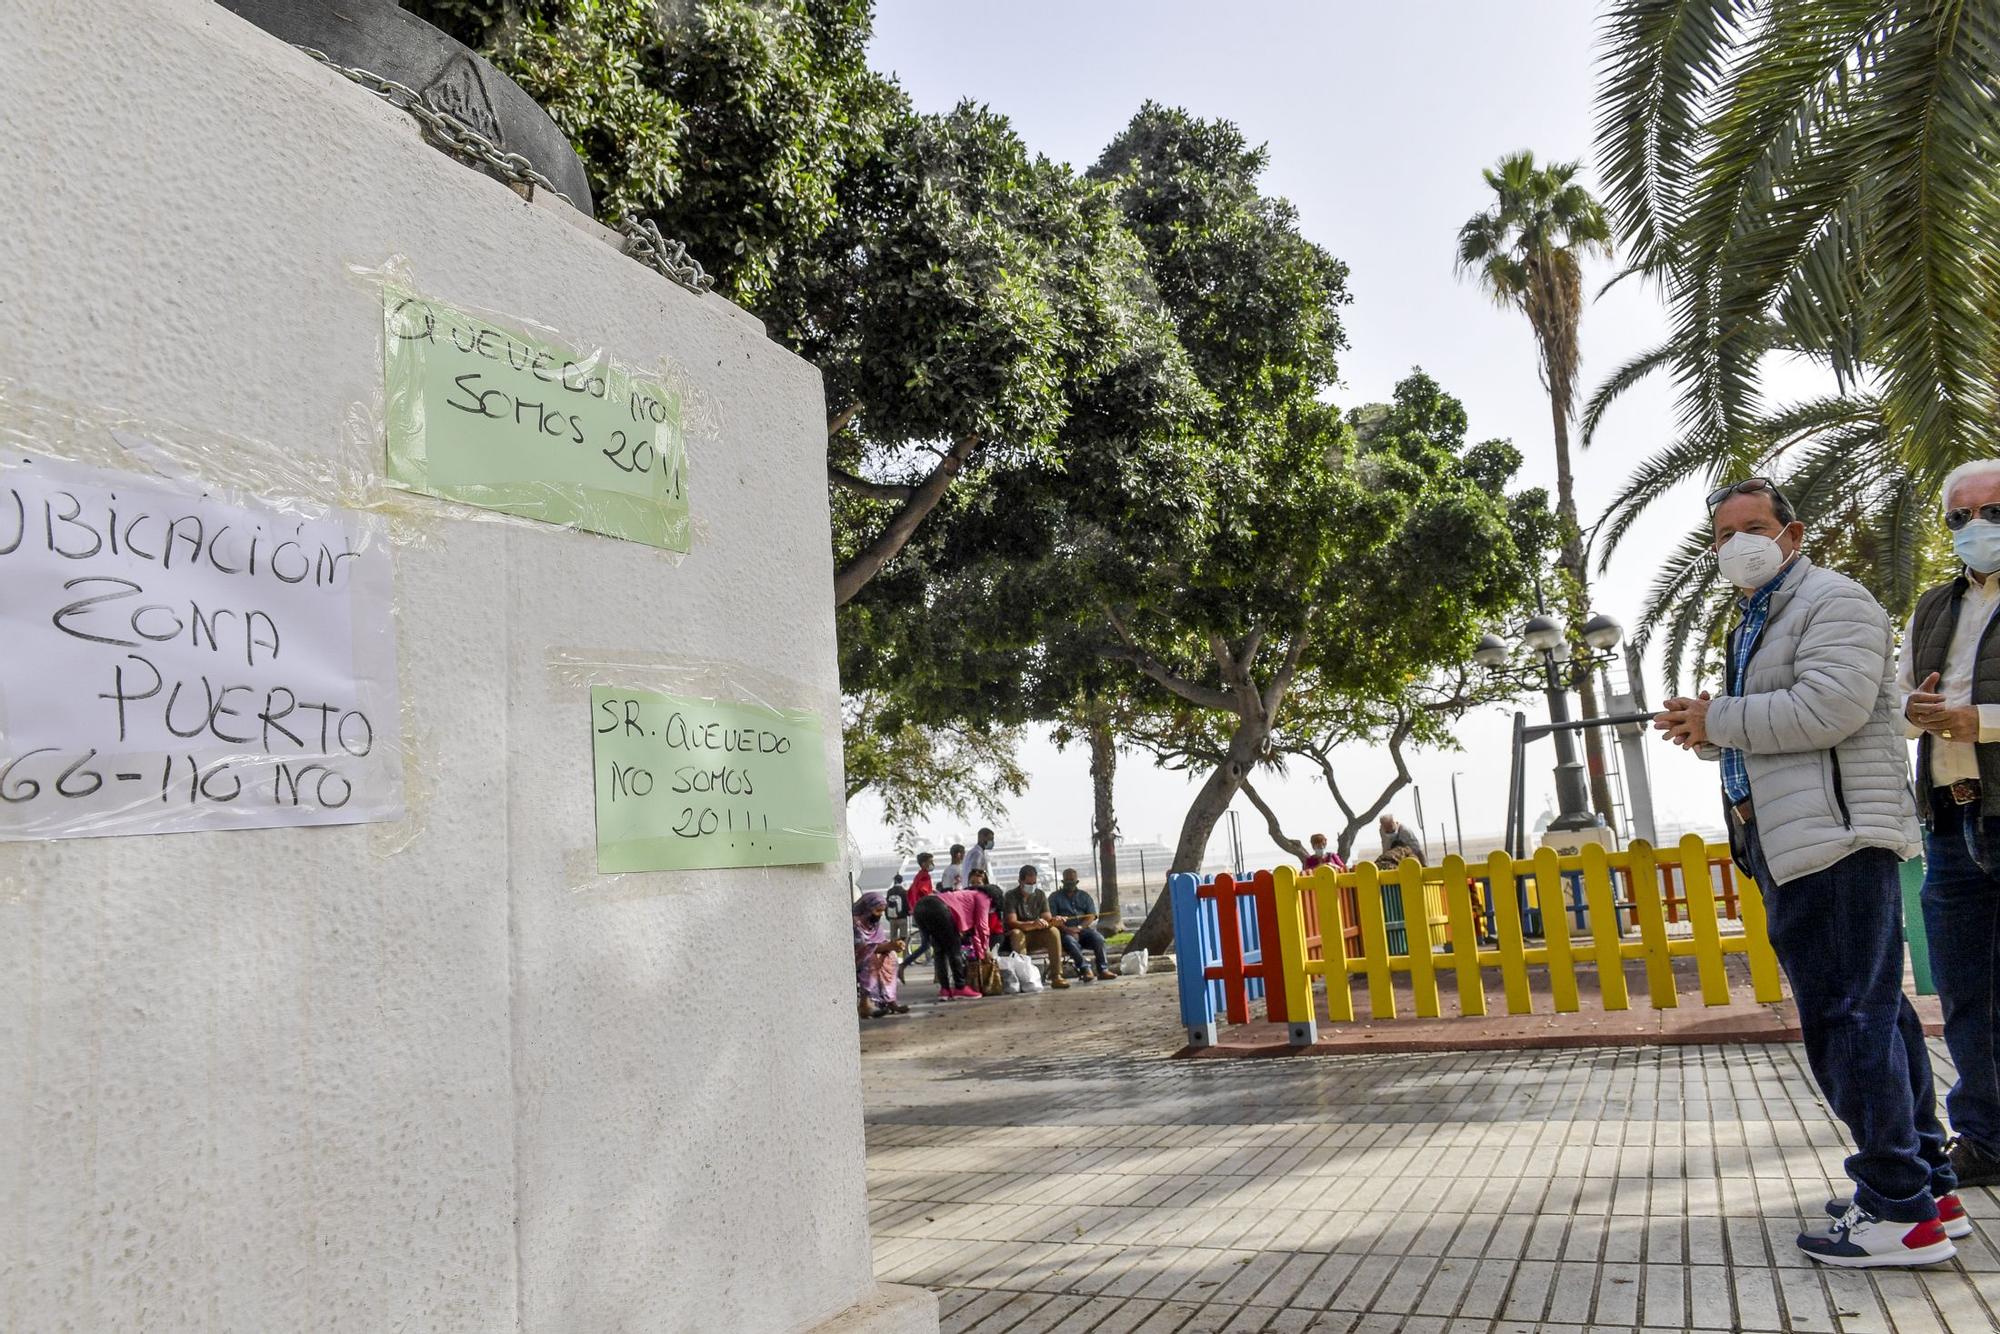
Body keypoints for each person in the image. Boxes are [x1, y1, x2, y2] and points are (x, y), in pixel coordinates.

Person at [1655, 475, 1959, 1267]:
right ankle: (1927, 1181)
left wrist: (1716, 717)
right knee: (1875, 1013)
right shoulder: (1762, 615)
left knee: (1846, 1021)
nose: (1735, 546)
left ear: (1793, 532)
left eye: (1751, 527)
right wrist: (1711, 729)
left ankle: (1898, 1210)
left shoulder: (1837, 600)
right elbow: (1788, 716)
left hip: (1837, 838)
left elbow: (1832, 706)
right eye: (1720, 537)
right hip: (1796, 838)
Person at [1895, 458, 2000, 1193]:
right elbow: (1903, 697)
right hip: (1950, 819)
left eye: (1991, 512)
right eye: (1959, 518)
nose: (1975, 529)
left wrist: (1979, 721)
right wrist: (1914, 711)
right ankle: (1987, 1141)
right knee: (1965, 990)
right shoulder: (1932, 607)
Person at [911, 883, 991, 1000]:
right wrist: (985, 950)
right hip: (939, 908)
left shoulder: (966, 894)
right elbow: (982, 926)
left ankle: (945, 990)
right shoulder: (984, 897)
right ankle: (960, 987)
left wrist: (980, 951)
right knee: (954, 950)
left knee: (939, 951)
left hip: (920, 907)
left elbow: (974, 931)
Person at [1001, 864, 1070, 990]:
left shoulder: (1040, 895)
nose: (1031, 886)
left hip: (1036, 935)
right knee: (1017, 933)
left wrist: (1055, 920)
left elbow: (1047, 918)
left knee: (1053, 931)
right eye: (1028, 883)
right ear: (1020, 881)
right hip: (1018, 935)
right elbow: (1012, 922)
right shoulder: (1010, 896)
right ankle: (1024, 978)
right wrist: (1032, 924)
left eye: (1034, 883)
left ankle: (1056, 975)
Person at [1050, 867, 1119, 982]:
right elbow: (1052, 919)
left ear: (1077, 881)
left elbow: (1091, 915)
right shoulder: (1054, 897)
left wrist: (1079, 928)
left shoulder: (1084, 896)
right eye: (1067, 880)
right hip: (1064, 932)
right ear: (1062, 881)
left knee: (1098, 938)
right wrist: (1067, 929)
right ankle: (1085, 969)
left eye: (1072, 880)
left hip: (1083, 930)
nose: (1070, 883)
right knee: (1070, 941)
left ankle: (1103, 970)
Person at [851, 893, 907, 1018]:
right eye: (877, 911)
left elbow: (880, 942)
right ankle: (865, 1004)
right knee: (870, 960)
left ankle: (890, 1000)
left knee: (890, 957)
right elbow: (861, 947)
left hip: (869, 952)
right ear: (868, 908)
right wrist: (888, 946)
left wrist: (894, 946)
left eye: (882, 911)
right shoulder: (855, 923)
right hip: (855, 957)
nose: (880, 914)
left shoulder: (874, 924)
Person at [899, 852, 937, 978]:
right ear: (923, 863)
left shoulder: (918, 876)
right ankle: (939, 974)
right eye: (930, 861)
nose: (932, 864)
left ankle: (904, 964)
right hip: (926, 912)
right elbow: (925, 892)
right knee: (936, 942)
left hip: (918, 912)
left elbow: (913, 892)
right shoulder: (925, 876)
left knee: (926, 944)